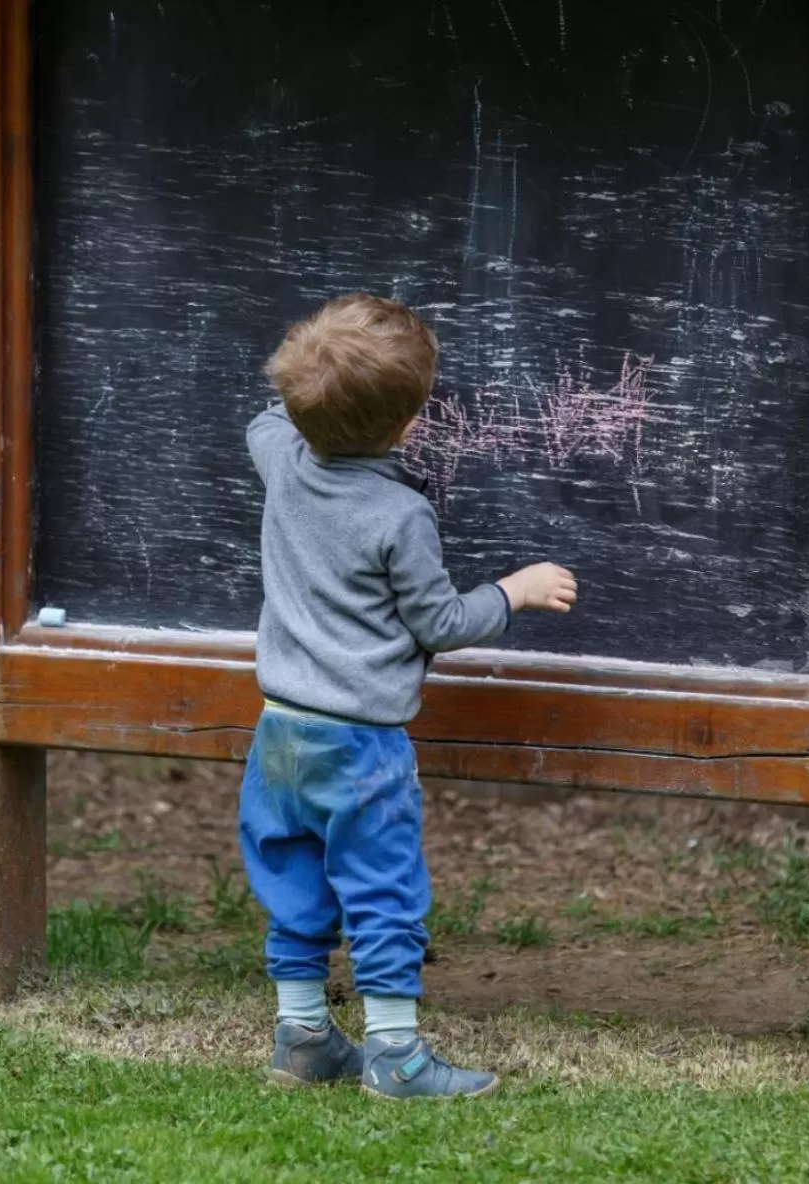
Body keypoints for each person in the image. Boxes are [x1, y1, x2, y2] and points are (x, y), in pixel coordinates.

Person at [241, 293, 578, 1100]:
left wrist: (316, 374)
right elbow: (442, 620)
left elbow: (267, 419)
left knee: (295, 882)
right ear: (407, 428)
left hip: (279, 734)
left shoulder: (279, 459)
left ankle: (304, 1039)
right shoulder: (401, 513)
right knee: (382, 888)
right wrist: (513, 589)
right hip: (361, 746)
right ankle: (395, 1055)